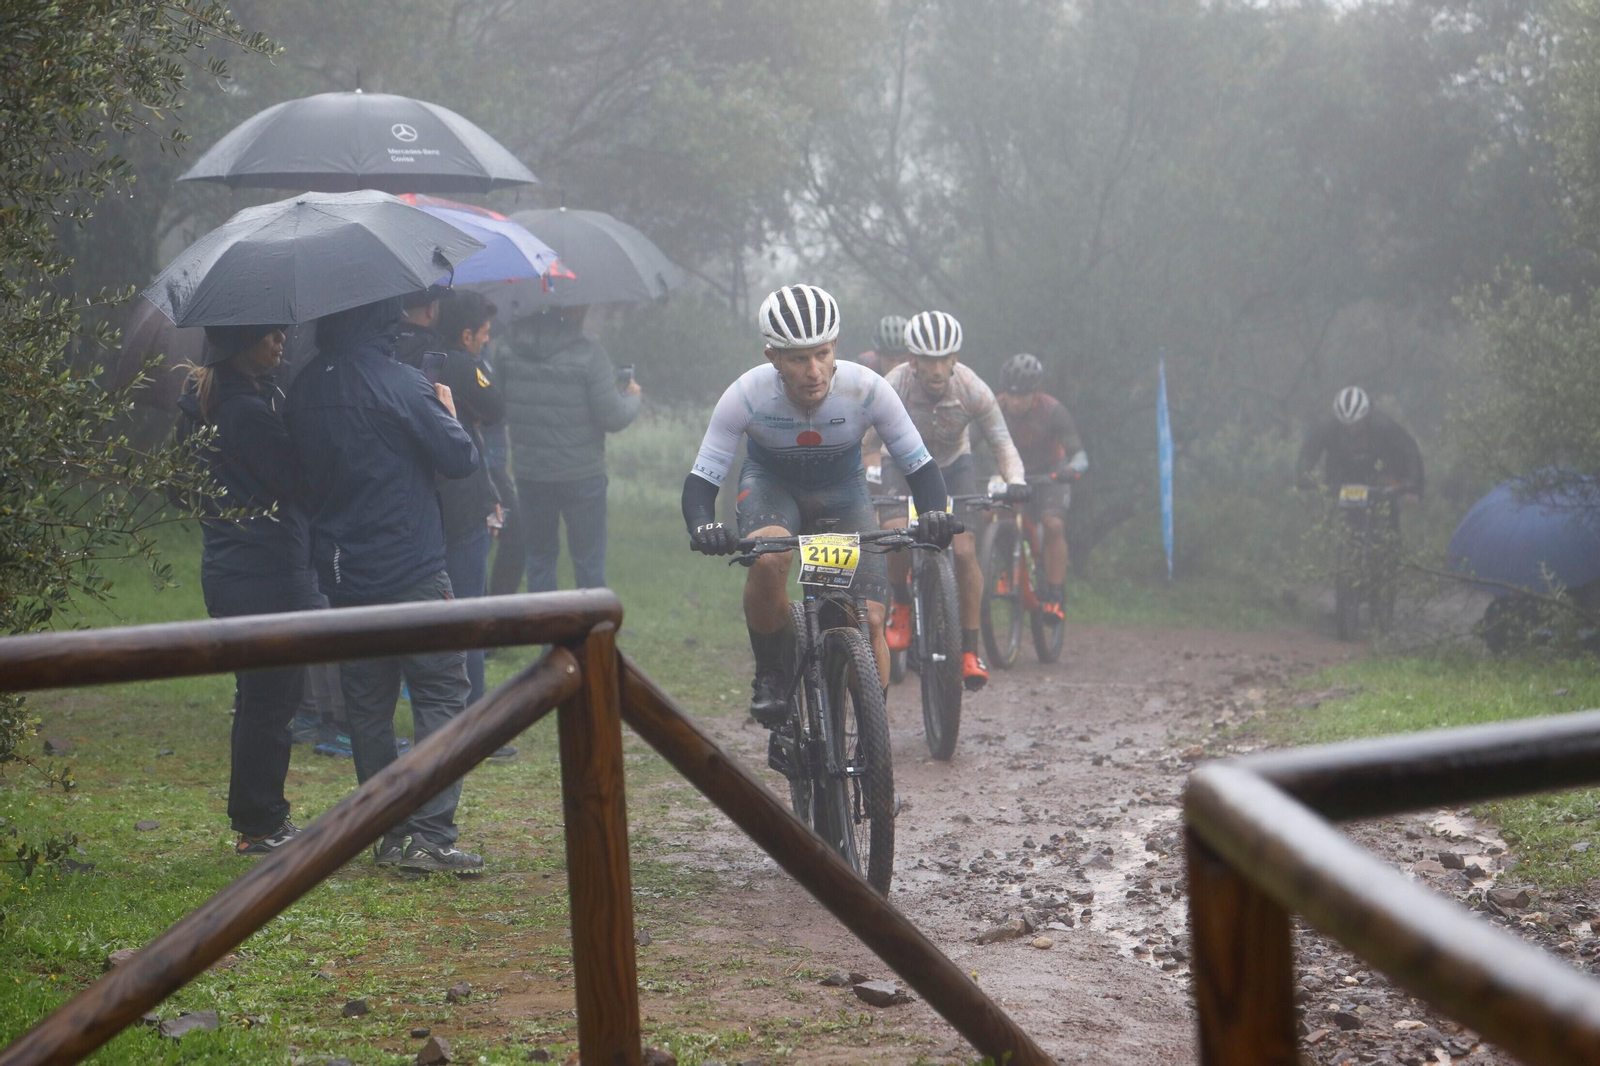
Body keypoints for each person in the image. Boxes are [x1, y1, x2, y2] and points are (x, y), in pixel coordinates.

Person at [682, 284, 955, 724]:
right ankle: (772, 672)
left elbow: (920, 467)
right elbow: (701, 480)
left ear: (835, 349)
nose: (814, 370)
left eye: (823, 353)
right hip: (773, 488)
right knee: (769, 559)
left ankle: (871, 744)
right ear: (774, 357)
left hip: (843, 493)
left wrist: (934, 516)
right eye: (798, 358)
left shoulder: (867, 389)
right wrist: (702, 525)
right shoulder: (747, 395)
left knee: (866, 622)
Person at [284, 296, 486, 875]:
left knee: (368, 708)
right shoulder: (400, 383)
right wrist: (446, 409)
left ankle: (387, 833)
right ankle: (431, 835)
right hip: (414, 569)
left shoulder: (303, 389)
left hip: (343, 575)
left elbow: (295, 476)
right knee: (442, 696)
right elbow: (459, 459)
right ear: (381, 322)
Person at [175, 323, 312, 856]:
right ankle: (260, 824)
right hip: (268, 572)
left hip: (230, 568)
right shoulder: (248, 412)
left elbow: (176, 487)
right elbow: (295, 480)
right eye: (268, 335)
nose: (280, 342)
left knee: (257, 697)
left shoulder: (201, 406)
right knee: (272, 700)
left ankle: (258, 818)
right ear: (239, 344)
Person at [867, 310, 1029, 691]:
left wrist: (1017, 480)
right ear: (912, 360)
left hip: (954, 466)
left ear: (955, 358)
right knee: (894, 532)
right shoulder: (893, 386)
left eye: (944, 358)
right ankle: (903, 605)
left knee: (966, 551)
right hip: (902, 465)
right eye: (927, 359)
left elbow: (1002, 443)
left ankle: (969, 650)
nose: (936, 369)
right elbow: (866, 442)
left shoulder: (973, 389)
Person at [499, 305, 641, 592]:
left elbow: (499, 406)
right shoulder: (589, 354)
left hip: (530, 473)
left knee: (539, 558)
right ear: (574, 309)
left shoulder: (506, 350)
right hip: (582, 475)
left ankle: (548, 636)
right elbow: (612, 417)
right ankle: (589, 636)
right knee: (588, 562)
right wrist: (631, 398)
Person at [432, 291, 516, 761]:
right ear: (467, 335)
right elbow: (496, 406)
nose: (485, 344)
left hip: (425, 506)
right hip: (462, 503)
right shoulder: (464, 366)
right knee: (470, 611)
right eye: (483, 337)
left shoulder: (411, 357)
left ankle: (445, 715)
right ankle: (476, 723)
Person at [994, 353, 1088, 622]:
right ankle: (1007, 568)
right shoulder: (994, 409)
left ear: (1035, 392)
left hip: (1050, 475)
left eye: (1022, 395)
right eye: (1010, 394)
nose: (1015, 401)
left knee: (1052, 524)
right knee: (994, 515)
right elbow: (969, 444)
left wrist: (1070, 470)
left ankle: (1055, 594)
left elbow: (1080, 455)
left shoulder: (1053, 411)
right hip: (1012, 474)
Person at [1296, 386, 1425, 502]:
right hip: (1340, 483)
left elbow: (1409, 449)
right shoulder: (1328, 428)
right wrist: (1306, 479)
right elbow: (1308, 454)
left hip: (1379, 482)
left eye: (1357, 424)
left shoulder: (1383, 425)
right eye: (1346, 425)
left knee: (1387, 519)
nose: (1352, 429)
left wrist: (1411, 483)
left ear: (1366, 416)